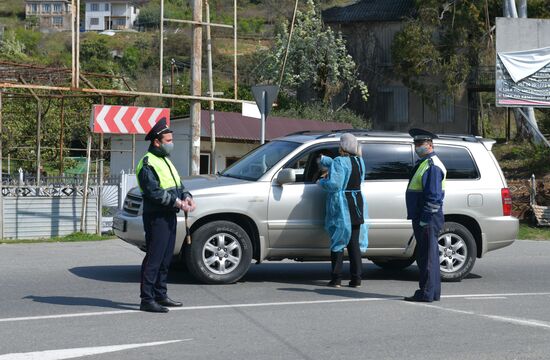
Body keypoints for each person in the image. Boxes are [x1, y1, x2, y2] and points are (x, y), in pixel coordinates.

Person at [136, 118, 196, 313]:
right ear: (157, 142)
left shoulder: (166, 161)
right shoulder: (147, 163)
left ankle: (161, 294)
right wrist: (177, 203)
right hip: (156, 217)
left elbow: (178, 186)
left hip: (169, 215)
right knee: (154, 258)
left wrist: (187, 197)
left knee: (166, 257)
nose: (171, 143)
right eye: (168, 140)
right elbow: (154, 192)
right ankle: (147, 299)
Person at [318, 133, 368, 288]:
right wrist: (326, 161)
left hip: (342, 205)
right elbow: (346, 169)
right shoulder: (360, 161)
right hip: (357, 204)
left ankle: (336, 279)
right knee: (354, 244)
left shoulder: (339, 161)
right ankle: (356, 278)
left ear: (343, 146)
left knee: (338, 242)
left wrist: (321, 182)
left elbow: (335, 184)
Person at [404, 128, 447, 302]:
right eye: (416, 144)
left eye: (421, 144)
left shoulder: (432, 165)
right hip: (425, 216)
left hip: (428, 217)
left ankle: (426, 292)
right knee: (430, 255)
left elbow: (434, 197)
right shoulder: (425, 163)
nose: (417, 147)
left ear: (430, 145)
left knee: (426, 257)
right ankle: (432, 292)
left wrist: (425, 218)